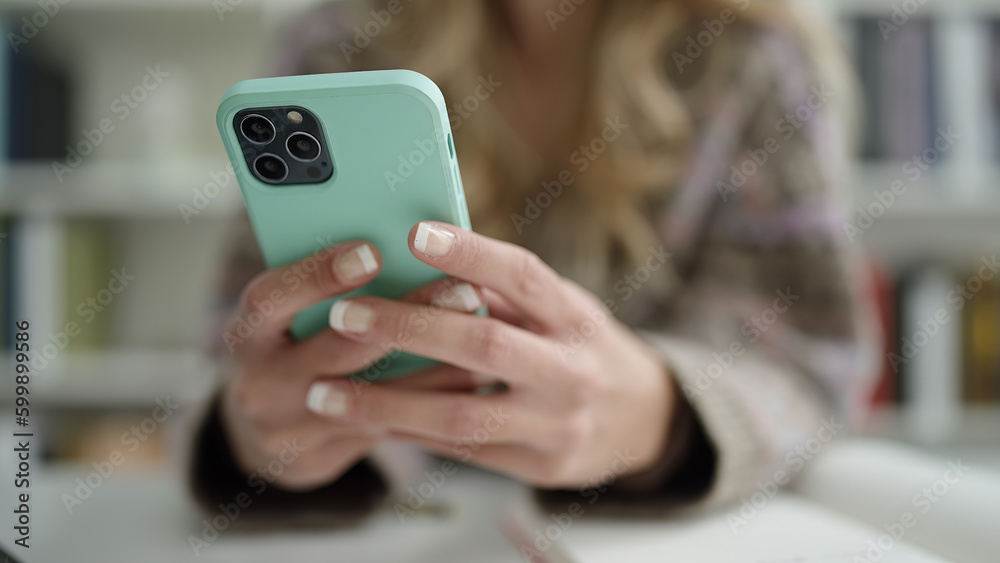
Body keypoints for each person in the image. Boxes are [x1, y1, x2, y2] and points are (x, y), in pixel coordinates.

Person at [190, 0, 879, 528]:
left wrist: (662, 416)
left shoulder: (754, 57)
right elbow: (241, 340)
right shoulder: (337, 47)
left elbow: (814, 367)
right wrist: (263, 437)